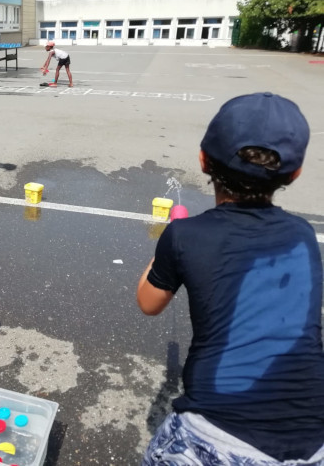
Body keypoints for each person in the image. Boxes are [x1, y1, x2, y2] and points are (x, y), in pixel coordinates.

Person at [137, 93, 324, 464]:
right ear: (295, 173)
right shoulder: (302, 234)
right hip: (314, 436)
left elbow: (149, 302)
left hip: (219, 434)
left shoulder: (185, 236)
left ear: (204, 160)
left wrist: (168, 241)